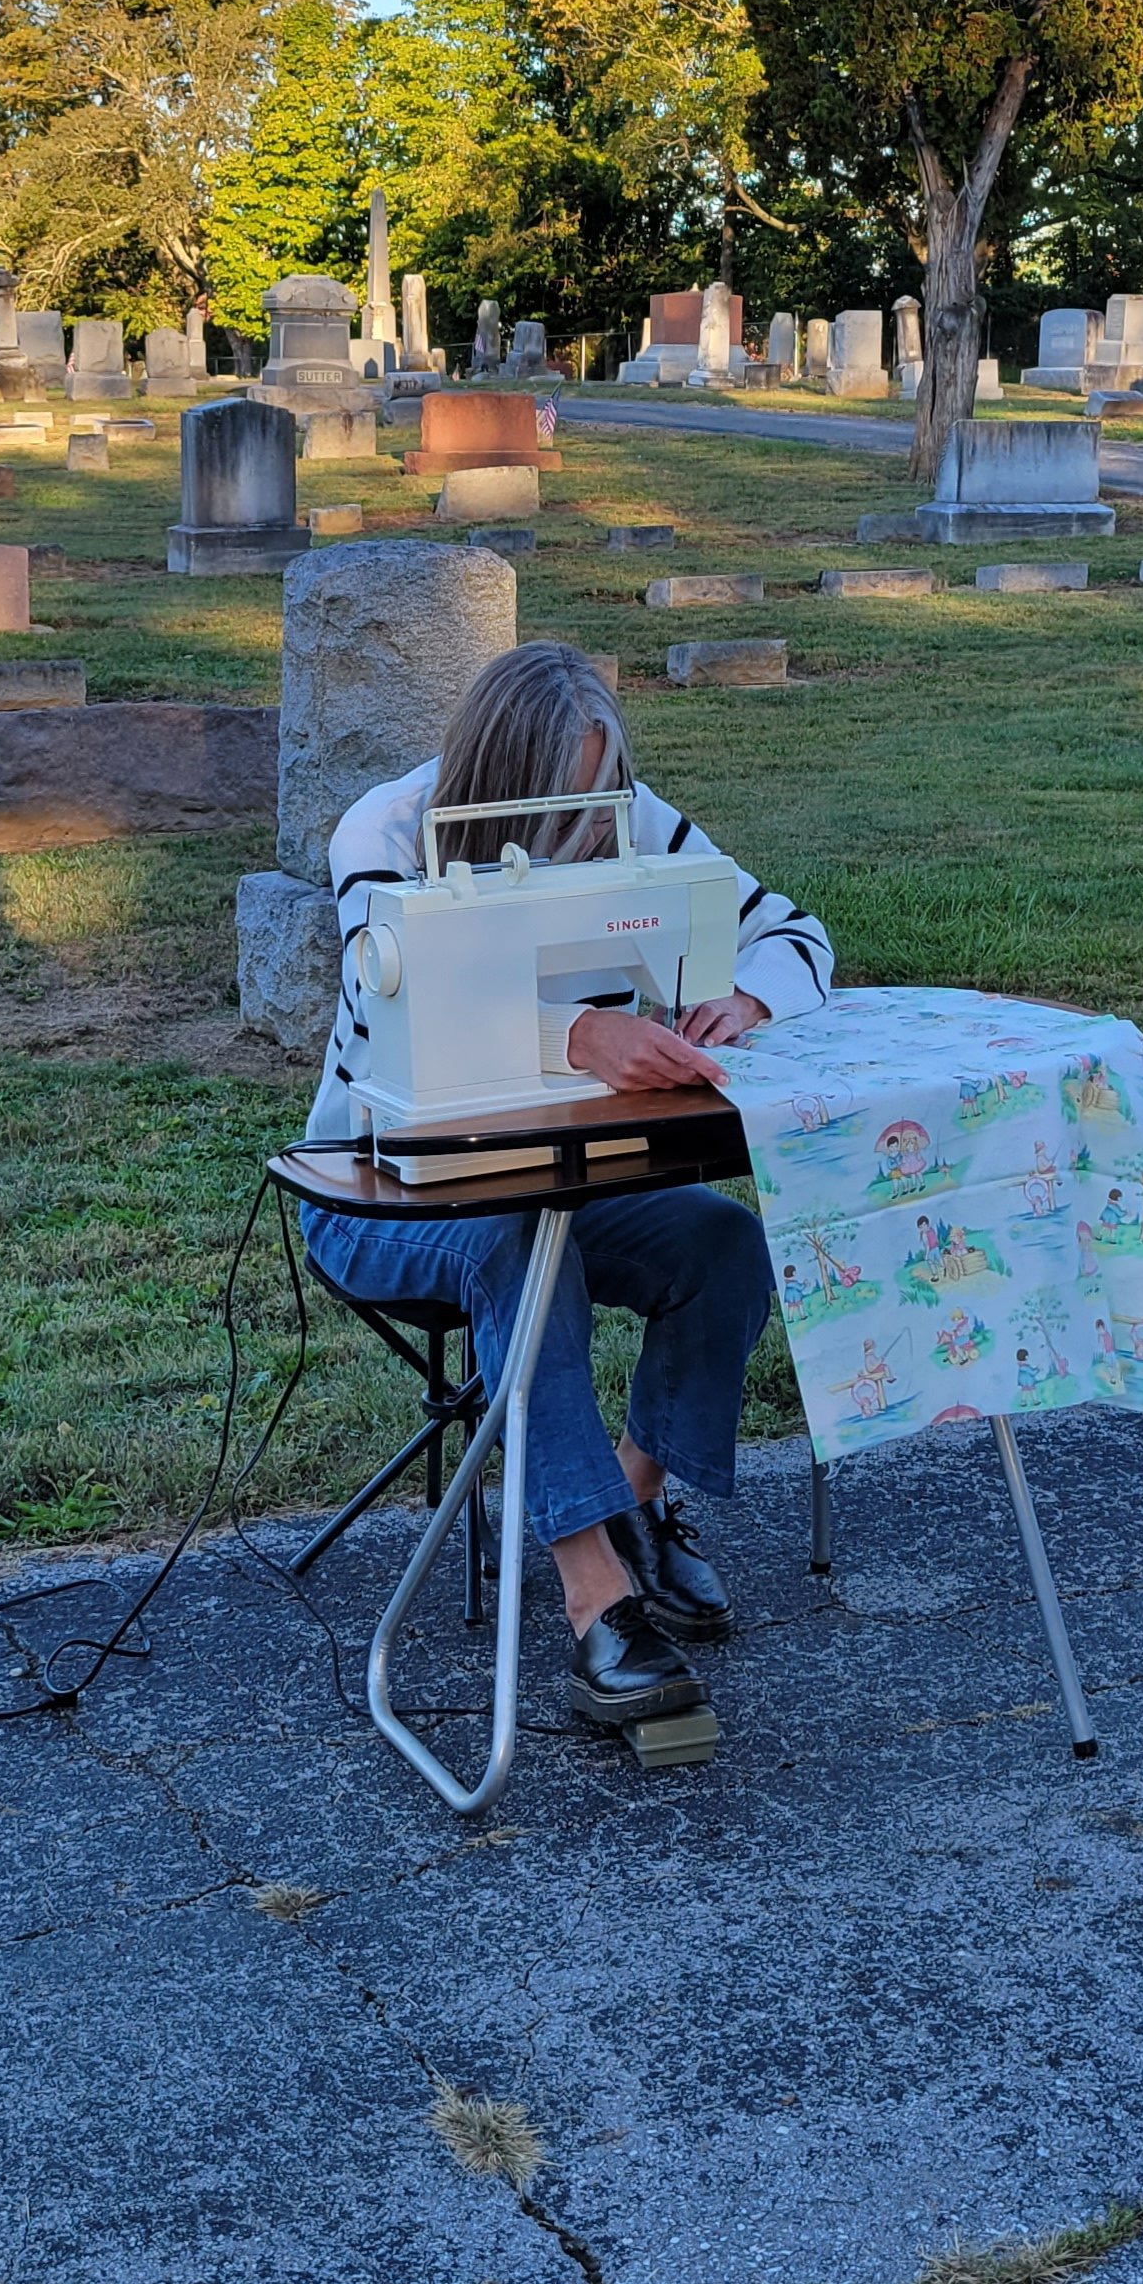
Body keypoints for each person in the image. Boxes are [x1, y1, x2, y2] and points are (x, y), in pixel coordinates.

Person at [302, 643, 833, 1740]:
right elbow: (386, 1002)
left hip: (565, 1182)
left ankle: (633, 1494)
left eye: (603, 802)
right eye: (571, 810)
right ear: (500, 780)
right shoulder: (385, 834)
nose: (594, 828)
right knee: (512, 1254)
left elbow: (793, 931)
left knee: (721, 1244)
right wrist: (578, 1034)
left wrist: (748, 1001)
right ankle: (595, 1597)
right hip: (380, 1190)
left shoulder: (624, 810)